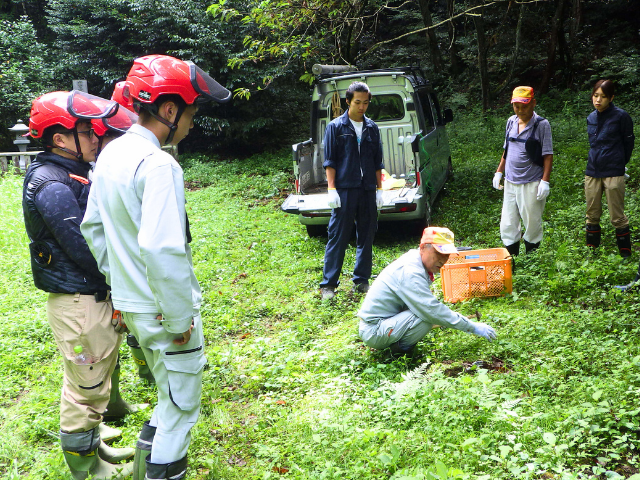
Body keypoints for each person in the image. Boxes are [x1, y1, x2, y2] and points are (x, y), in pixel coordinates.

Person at [81, 54, 231, 480]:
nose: (191, 122)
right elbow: (162, 249)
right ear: (169, 110)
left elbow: (94, 229)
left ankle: (146, 464)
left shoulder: (109, 157)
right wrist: (180, 316)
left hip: (133, 306)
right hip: (165, 315)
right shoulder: (159, 164)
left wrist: (121, 288)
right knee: (182, 410)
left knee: (167, 397)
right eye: (191, 112)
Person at [22, 90, 134, 479]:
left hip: (86, 297)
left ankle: (93, 443)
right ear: (59, 139)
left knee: (91, 379)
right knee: (85, 390)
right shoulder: (51, 183)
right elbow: (86, 248)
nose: (96, 138)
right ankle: (86, 468)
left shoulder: (68, 172)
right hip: (78, 300)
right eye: (87, 132)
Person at [358, 227, 497, 354]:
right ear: (423, 247)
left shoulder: (417, 260)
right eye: (438, 253)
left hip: (386, 322)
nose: (443, 260)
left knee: (426, 313)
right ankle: (398, 353)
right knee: (424, 317)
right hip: (374, 330)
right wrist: (472, 327)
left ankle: (397, 346)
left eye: (447, 255)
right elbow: (431, 311)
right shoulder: (410, 272)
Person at [320, 81, 384, 300]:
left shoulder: (372, 128)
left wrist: (379, 190)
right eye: (357, 102)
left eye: (365, 103)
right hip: (345, 189)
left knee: (366, 235)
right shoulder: (336, 127)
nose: (362, 107)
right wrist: (331, 189)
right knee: (338, 236)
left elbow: (378, 162)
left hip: (367, 189)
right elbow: (330, 161)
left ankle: (361, 280)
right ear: (348, 102)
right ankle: (328, 285)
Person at [492, 86, 553, 257]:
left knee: (532, 223)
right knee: (508, 223)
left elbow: (547, 154)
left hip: (531, 181)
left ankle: (531, 260)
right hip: (511, 182)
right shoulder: (511, 122)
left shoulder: (542, 125)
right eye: (516, 106)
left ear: (533, 103)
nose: (520, 110)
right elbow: (507, 149)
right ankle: (512, 259)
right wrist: (499, 172)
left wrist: (545, 181)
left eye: (524, 106)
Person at [584, 79, 635, 257]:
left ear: (611, 98)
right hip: (592, 170)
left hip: (613, 170)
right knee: (591, 214)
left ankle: (625, 255)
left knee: (617, 216)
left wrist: (620, 164)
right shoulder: (591, 117)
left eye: (603, 97)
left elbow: (629, 143)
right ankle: (592, 252)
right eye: (595, 96)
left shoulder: (621, 117)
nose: (598, 100)